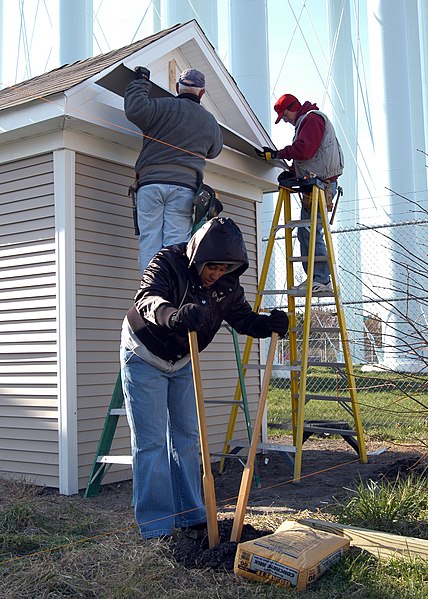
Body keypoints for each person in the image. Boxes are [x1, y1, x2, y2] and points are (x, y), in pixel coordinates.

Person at [120, 216, 289, 539]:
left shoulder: (226, 287)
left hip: (183, 359)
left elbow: (244, 320)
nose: (217, 274)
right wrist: (172, 315)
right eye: (212, 267)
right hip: (144, 352)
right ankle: (156, 527)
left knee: (185, 437)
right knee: (151, 442)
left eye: (225, 269)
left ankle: (189, 515)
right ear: (198, 257)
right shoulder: (168, 261)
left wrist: (268, 325)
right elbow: (147, 300)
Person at [124, 66, 223, 272]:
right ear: (202, 93)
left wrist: (141, 81)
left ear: (178, 87)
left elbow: (135, 109)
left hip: (150, 184)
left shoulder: (161, 107)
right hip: (184, 189)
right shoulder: (209, 121)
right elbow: (214, 150)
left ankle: (149, 294)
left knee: (149, 242)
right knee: (176, 246)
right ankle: (172, 296)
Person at [256, 93, 344, 293]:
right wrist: (290, 172)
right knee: (307, 231)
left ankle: (321, 279)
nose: (285, 120)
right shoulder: (307, 121)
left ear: (290, 109)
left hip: (321, 187)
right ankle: (318, 278)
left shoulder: (312, 119)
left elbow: (305, 150)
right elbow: (309, 157)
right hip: (316, 186)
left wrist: (278, 154)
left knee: (311, 231)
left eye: (284, 116)